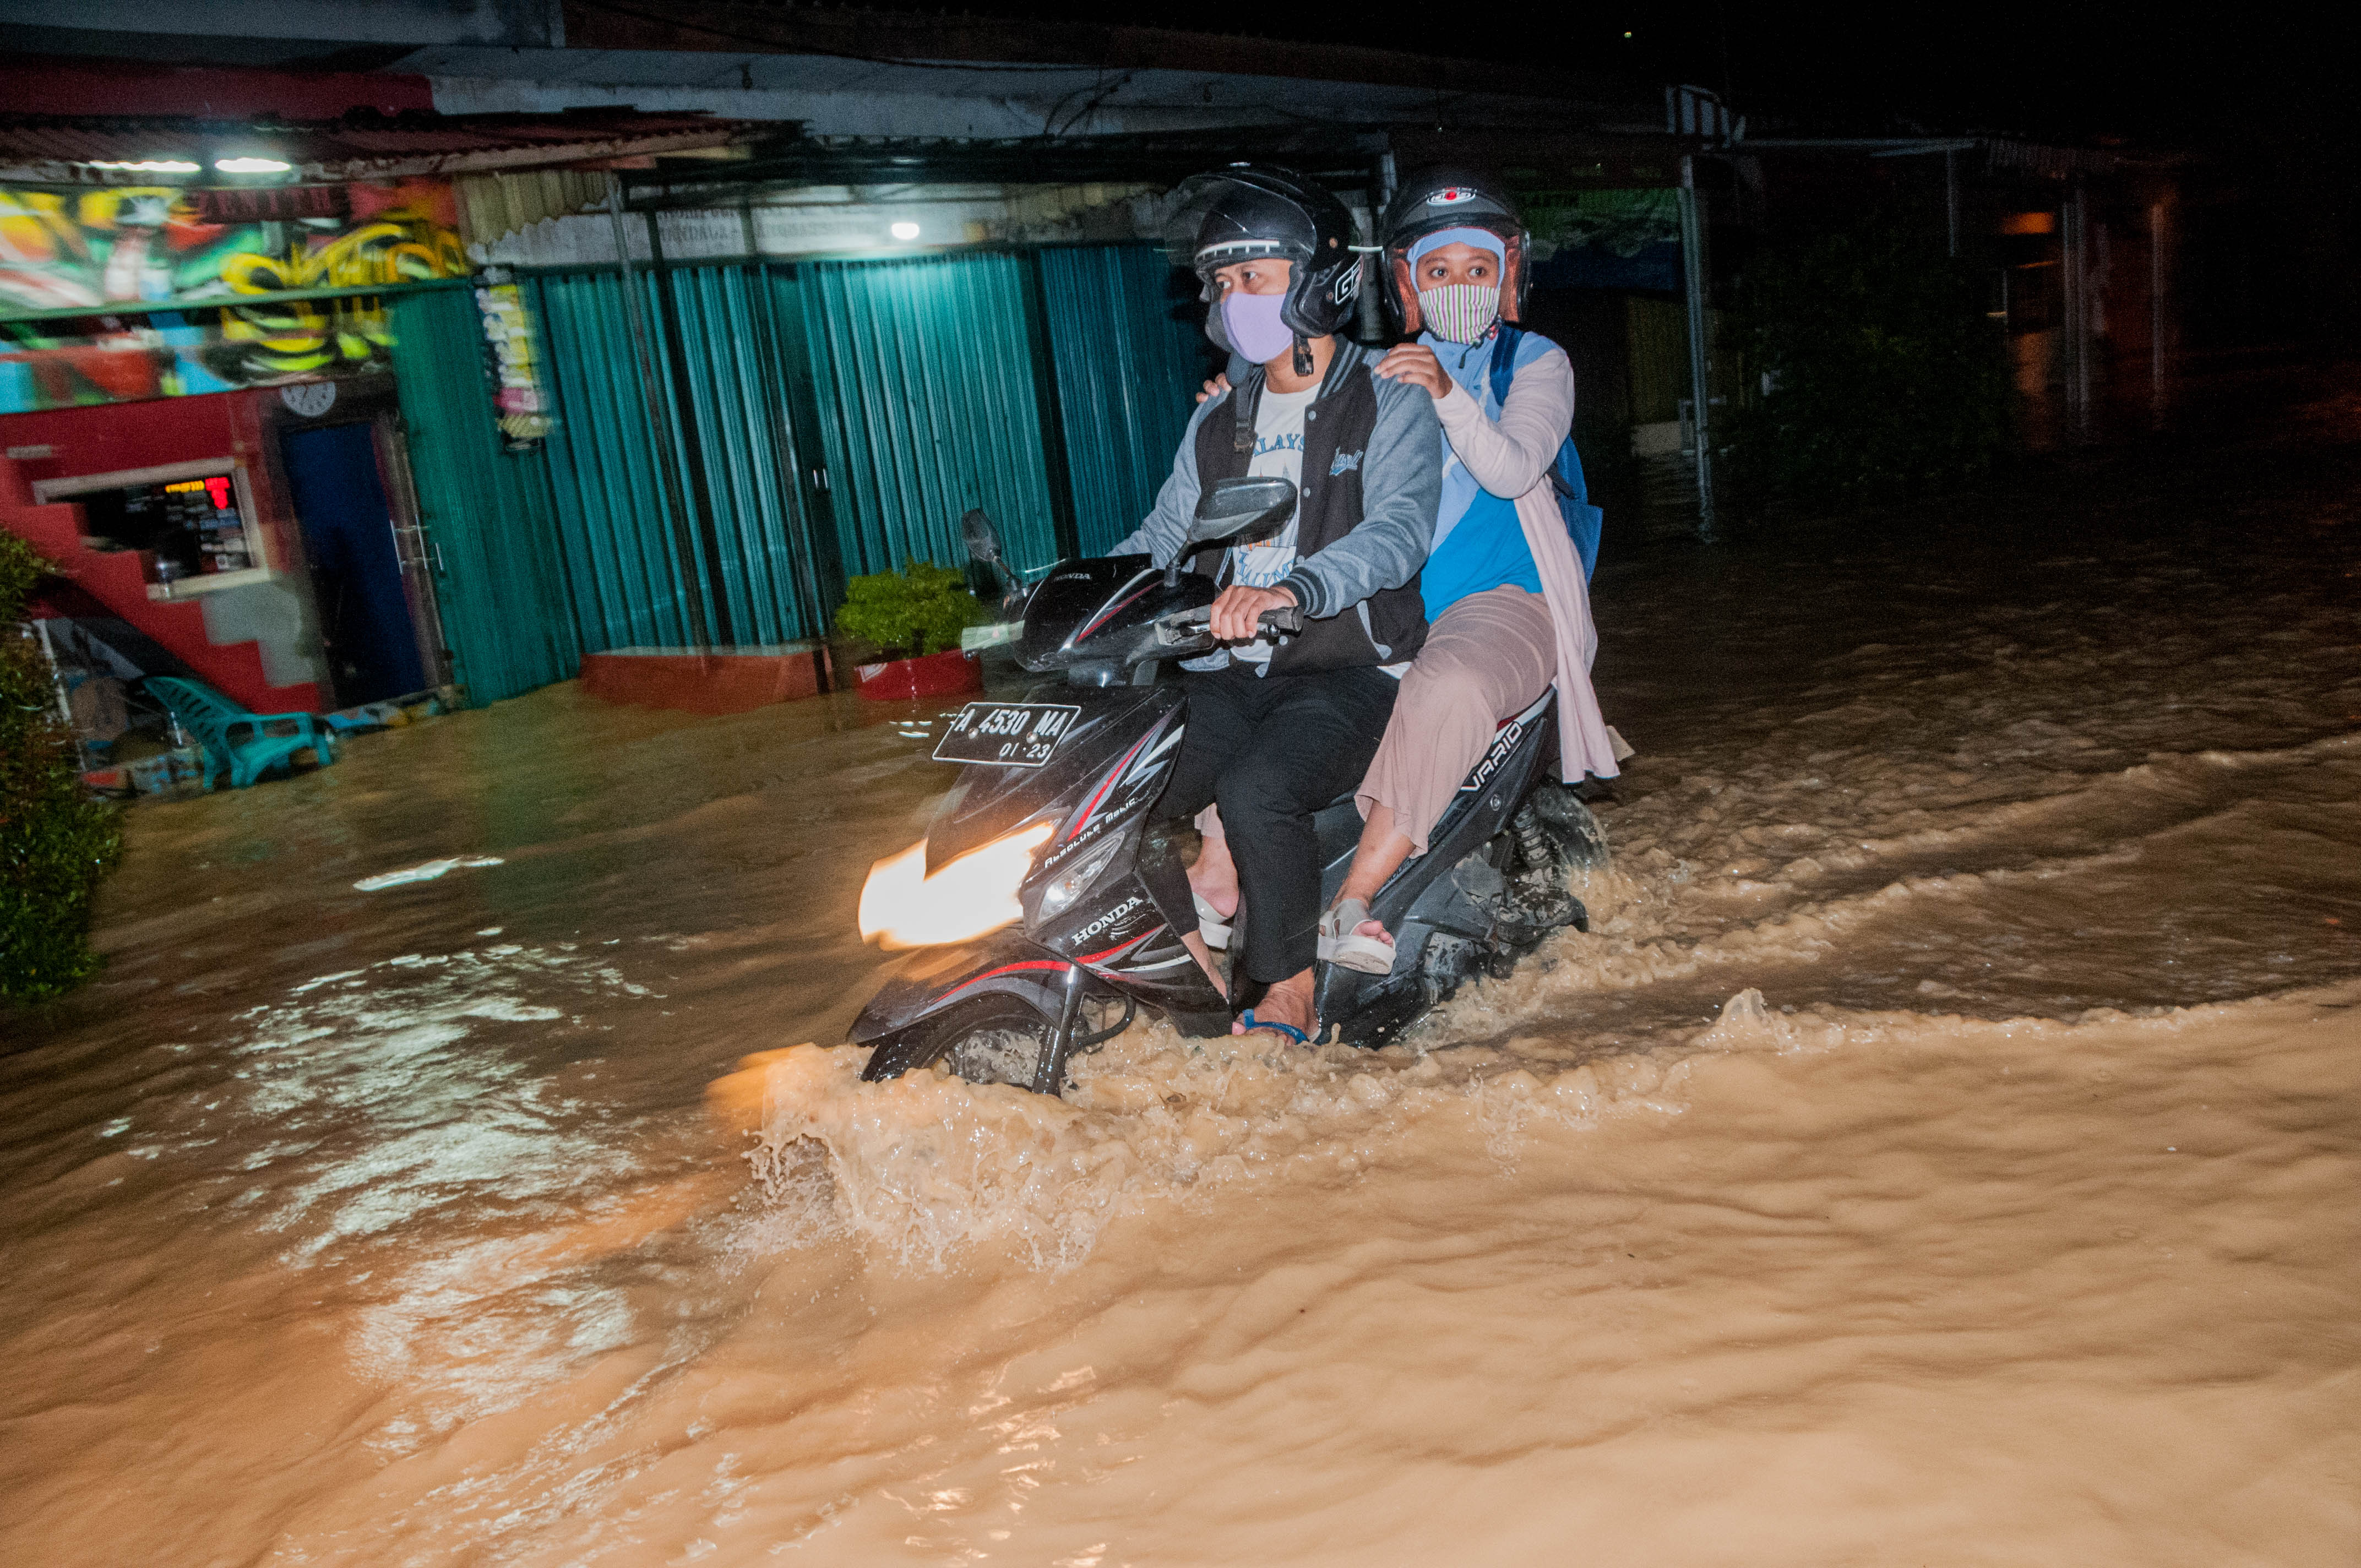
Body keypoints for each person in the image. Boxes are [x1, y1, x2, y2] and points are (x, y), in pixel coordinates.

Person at [1111, 164, 1441, 1042]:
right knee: (1120, 786)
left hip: (1348, 665)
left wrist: (1296, 586)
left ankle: (1290, 988)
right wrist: (1070, 591)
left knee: (1259, 791)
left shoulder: (1389, 397)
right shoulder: (1218, 419)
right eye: (1222, 283)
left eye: (1254, 277)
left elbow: (1400, 531)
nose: (1233, 299)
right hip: (1229, 668)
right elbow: (1164, 535)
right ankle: (1196, 963)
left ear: (1318, 279)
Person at [1313, 169, 1626, 971]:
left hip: (1505, 604)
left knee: (1447, 686)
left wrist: (1449, 390)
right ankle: (1222, 893)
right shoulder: (1375, 374)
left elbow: (1515, 467)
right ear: (1408, 284)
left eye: (1477, 268)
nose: (1459, 285)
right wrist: (1234, 405)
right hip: (1391, 609)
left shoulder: (1536, 361)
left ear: (1508, 275)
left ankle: (1355, 901)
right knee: (1259, 698)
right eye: (1438, 270)